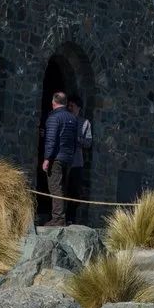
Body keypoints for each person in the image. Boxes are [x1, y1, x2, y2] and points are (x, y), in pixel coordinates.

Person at [42, 91, 77, 226]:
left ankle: (58, 218)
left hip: (56, 157)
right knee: (63, 187)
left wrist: (46, 158)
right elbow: (73, 141)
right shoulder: (73, 118)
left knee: (55, 186)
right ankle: (61, 216)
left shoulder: (53, 118)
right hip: (68, 158)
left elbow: (51, 139)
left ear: (54, 102)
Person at [66, 94, 93, 224]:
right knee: (61, 189)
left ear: (79, 108)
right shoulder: (64, 119)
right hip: (64, 160)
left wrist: (77, 140)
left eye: (72, 106)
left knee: (75, 191)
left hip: (77, 162)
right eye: (69, 105)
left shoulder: (85, 123)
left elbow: (88, 143)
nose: (70, 108)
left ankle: (71, 218)